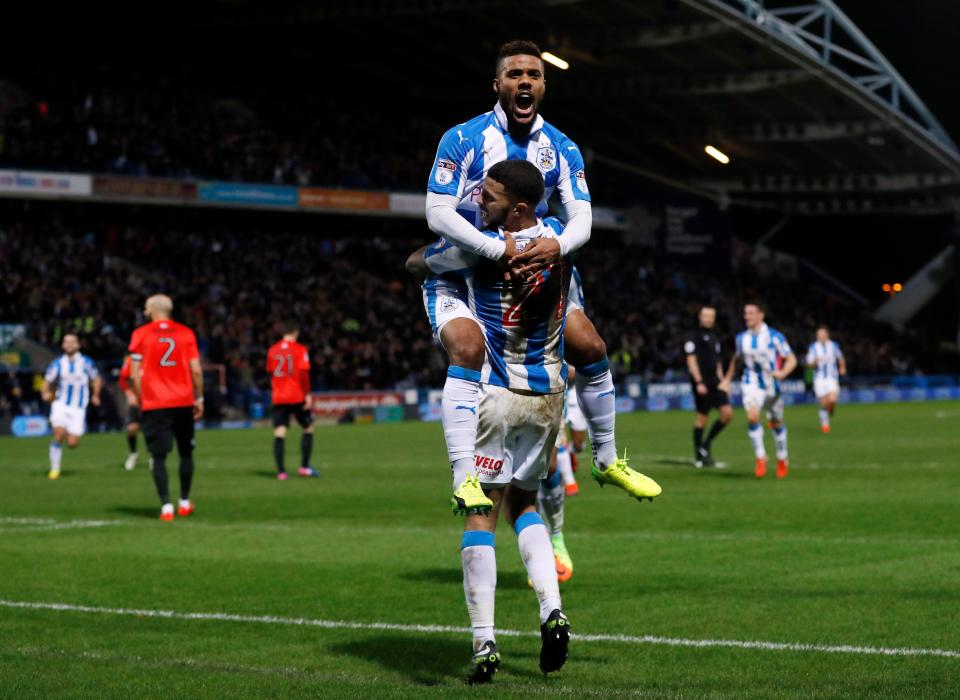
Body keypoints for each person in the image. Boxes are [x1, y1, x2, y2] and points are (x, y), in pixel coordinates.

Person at [421, 39, 654, 504]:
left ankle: (606, 461)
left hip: (537, 270)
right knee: (466, 348)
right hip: (468, 270)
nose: (524, 81)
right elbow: (436, 212)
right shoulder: (463, 139)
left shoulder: (562, 148)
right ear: (498, 84)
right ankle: (464, 475)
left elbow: (583, 216)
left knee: (590, 346)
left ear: (543, 85)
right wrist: (492, 249)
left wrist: (558, 244)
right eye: (514, 74)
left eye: (533, 75)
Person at [411, 161, 616, 683]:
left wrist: (461, 249)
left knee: (481, 516)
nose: (481, 202)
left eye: (491, 197)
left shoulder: (483, 245)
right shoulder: (559, 245)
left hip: (496, 394)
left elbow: (417, 263)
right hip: (548, 394)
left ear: (518, 207)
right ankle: (551, 608)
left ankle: (484, 644)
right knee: (526, 505)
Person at [128, 294, 203, 521]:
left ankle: (166, 507)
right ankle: (184, 501)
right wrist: (199, 398)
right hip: (182, 401)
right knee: (186, 451)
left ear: (152, 309)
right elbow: (196, 370)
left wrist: (143, 399)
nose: (143, 311)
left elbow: (133, 375)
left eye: (145, 307)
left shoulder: (140, 334)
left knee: (158, 456)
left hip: (155, 403)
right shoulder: (186, 333)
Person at [727, 302, 797, 479]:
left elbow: (792, 359)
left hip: (772, 386)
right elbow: (736, 360)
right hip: (751, 383)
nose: (746, 316)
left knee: (776, 423)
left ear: (761, 315)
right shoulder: (741, 338)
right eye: (745, 313)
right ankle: (760, 457)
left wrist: (783, 373)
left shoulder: (775, 337)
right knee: (752, 417)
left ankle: (782, 458)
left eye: (750, 313)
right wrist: (727, 380)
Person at [40, 333, 101, 480]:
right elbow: (47, 381)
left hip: (78, 408)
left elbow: (96, 379)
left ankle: (66, 429)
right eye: (66, 342)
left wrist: (96, 395)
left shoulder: (86, 362)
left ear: (78, 345)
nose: (69, 344)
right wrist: (45, 393)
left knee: (72, 443)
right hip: (60, 404)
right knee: (58, 435)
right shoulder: (57, 363)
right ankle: (55, 470)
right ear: (62, 345)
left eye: (72, 342)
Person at [266, 322, 317, 480]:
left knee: (280, 431)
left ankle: (281, 472)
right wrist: (307, 394)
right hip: (296, 395)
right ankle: (304, 467)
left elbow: (270, 371)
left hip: (279, 396)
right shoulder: (300, 350)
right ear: (295, 332)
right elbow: (304, 375)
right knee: (308, 427)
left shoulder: (272, 350)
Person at [684, 306, 733, 467]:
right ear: (700, 316)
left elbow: (717, 362)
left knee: (727, 414)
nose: (708, 319)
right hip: (703, 383)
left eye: (711, 316)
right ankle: (699, 454)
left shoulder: (714, 336)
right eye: (705, 315)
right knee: (702, 418)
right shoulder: (693, 336)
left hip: (716, 382)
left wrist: (724, 381)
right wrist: (699, 382)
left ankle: (705, 445)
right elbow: (691, 360)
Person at [805, 326, 846, 433]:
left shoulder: (834, 345)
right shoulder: (813, 347)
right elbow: (808, 364)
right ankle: (825, 425)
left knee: (832, 400)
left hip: (832, 377)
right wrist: (814, 362)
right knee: (823, 403)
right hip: (819, 379)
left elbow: (840, 357)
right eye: (819, 335)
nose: (821, 337)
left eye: (823, 334)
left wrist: (842, 367)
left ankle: (830, 408)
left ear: (827, 335)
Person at [118, 354, 142, 471]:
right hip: (136, 399)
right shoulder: (130, 359)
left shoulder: (154, 357)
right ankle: (133, 453)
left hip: (153, 398)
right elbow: (123, 379)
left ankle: (155, 456)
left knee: (152, 429)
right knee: (131, 428)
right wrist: (129, 393)